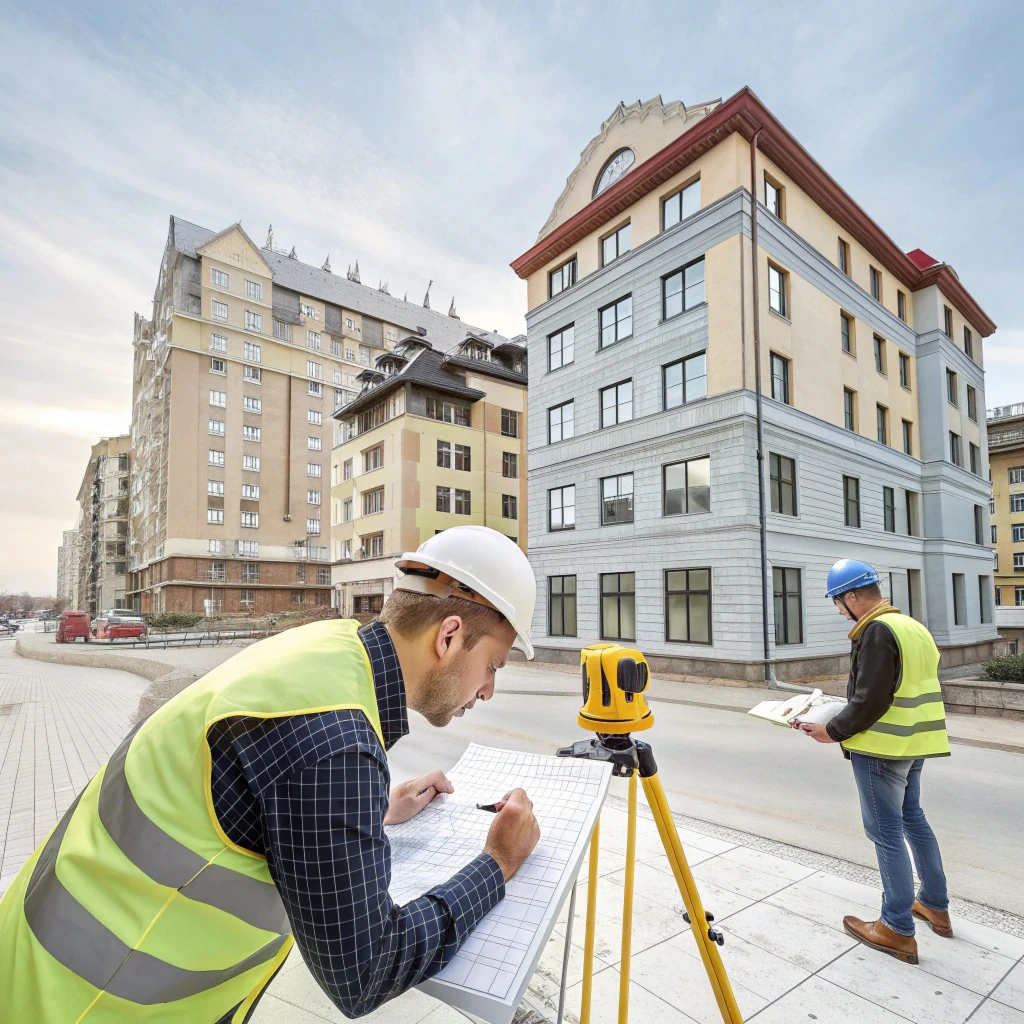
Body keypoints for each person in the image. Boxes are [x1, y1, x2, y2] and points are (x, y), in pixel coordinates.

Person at [0, 526, 542, 1022]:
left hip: (39, 966)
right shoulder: (333, 742)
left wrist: (377, 809)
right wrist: (498, 863)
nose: (489, 689)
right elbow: (365, 972)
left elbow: (255, 793)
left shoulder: (324, 650)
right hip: (84, 1004)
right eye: (492, 665)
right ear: (448, 637)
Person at [797, 558, 952, 964]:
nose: (838, 610)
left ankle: (897, 928)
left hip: (881, 750)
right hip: (914, 742)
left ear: (851, 597)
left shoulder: (878, 630)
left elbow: (872, 698)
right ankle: (935, 904)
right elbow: (904, 688)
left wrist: (831, 731)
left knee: (885, 833)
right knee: (912, 819)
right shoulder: (911, 626)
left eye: (837, 602)